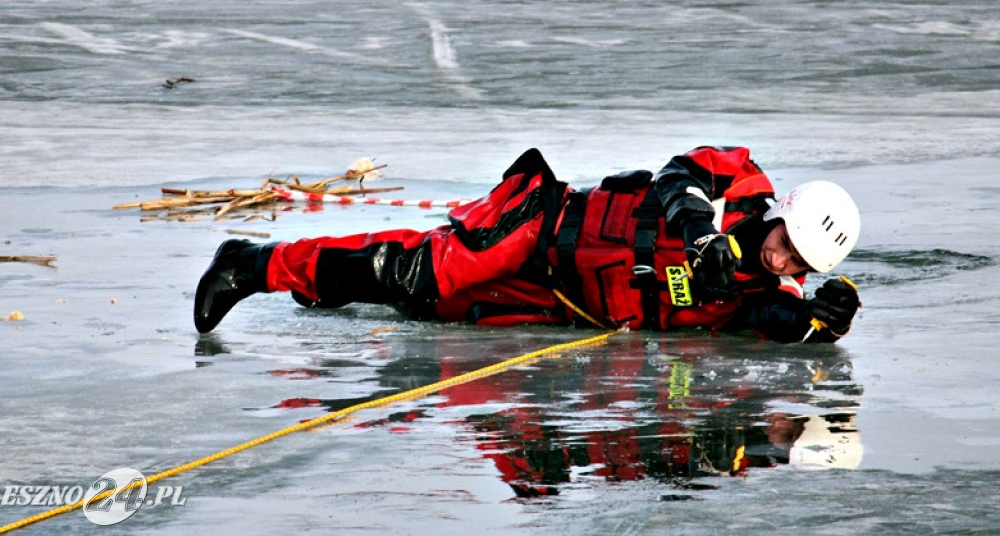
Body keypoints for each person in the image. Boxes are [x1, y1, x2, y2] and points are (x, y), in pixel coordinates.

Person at [194, 146, 862, 342]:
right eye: (785, 243)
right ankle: (250, 264)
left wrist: (823, 320)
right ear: (780, 212)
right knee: (419, 272)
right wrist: (700, 235)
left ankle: (322, 286)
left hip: (551, 301)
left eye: (798, 262)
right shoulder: (736, 182)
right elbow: (678, 173)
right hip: (542, 227)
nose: (781, 260)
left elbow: (783, 322)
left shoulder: (773, 291)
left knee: (420, 306)